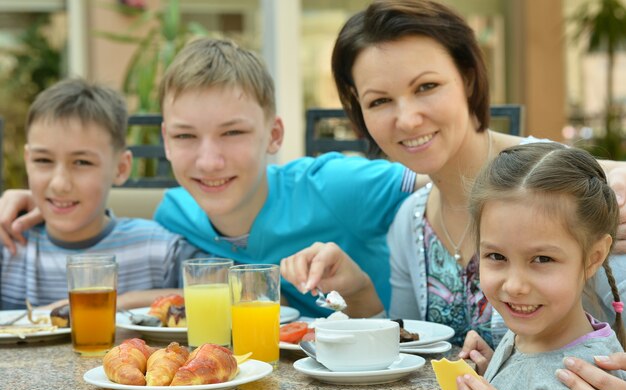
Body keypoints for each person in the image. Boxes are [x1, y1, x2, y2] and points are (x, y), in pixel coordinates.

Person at [277, 0, 626, 390]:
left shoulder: (568, 191)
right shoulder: (409, 221)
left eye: (426, 87)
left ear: (468, 79)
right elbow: (416, 358)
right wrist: (359, 292)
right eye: (379, 101)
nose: (407, 118)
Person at [0, 38, 417, 318]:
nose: (209, 161)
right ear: (165, 139)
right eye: (185, 136)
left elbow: (453, 175)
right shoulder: (176, 215)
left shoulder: (335, 185)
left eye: (232, 132)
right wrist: (47, 199)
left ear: (273, 134)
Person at [0, 78, 204, 311]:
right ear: (27, 161)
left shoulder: (157, 249)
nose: (59, 184)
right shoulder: (8, 247)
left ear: (121, 168)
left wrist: (117, 302)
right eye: (43, 160)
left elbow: (228, 290)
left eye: (82, 162)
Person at [453, 142, 626, 390]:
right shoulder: (531, 332)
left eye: (542, 259)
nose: (515, 286)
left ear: (594, 257)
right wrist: (499, 374)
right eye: (496, 256)